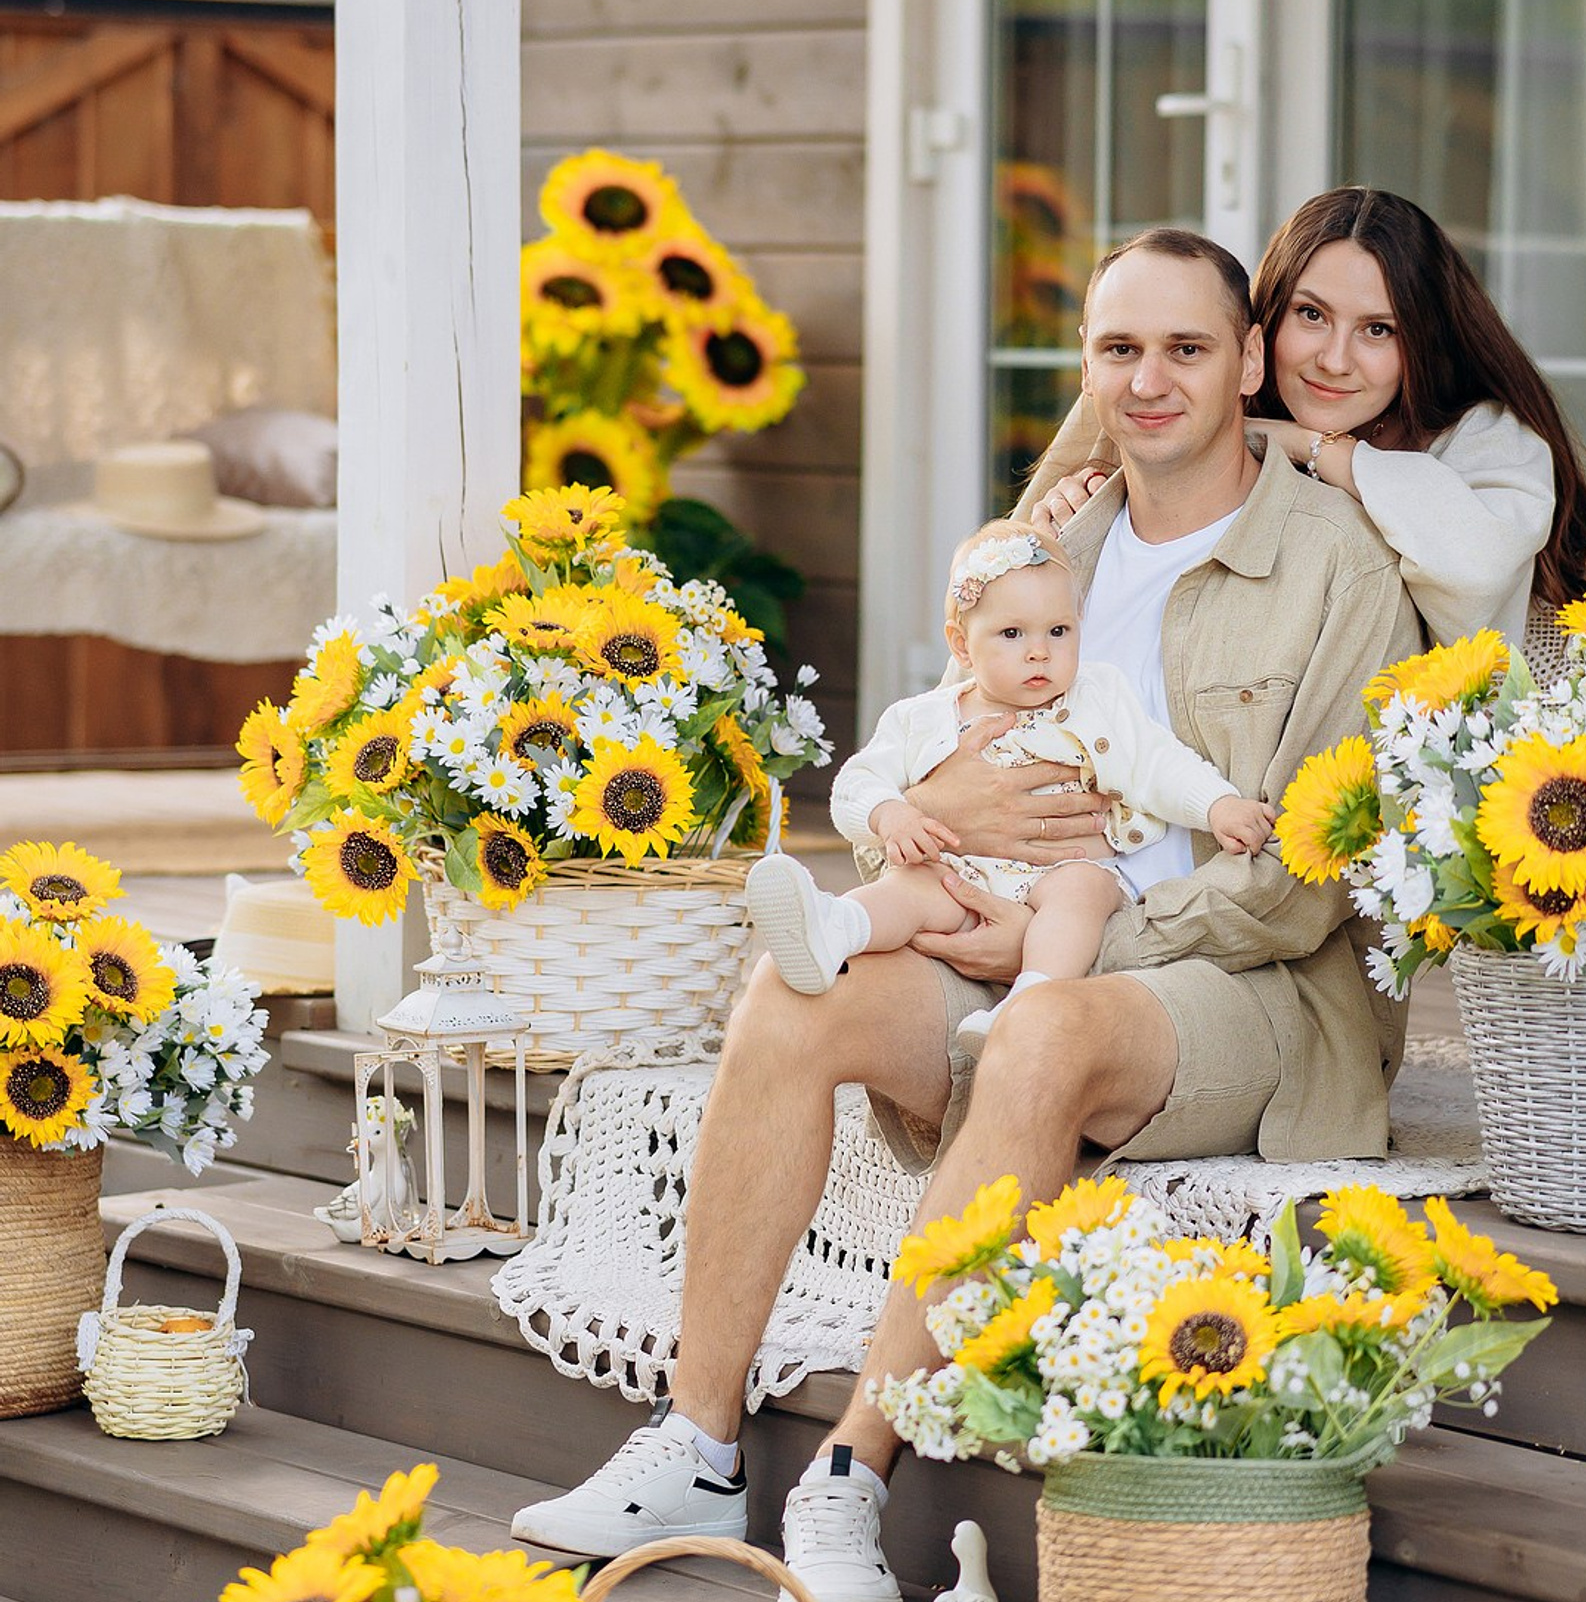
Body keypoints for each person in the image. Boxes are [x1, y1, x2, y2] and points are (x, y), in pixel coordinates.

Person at [511, 226, 1421, 1601]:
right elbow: (927, 750)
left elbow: (1306, 876)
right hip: (1009, 929)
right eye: (1120, 349)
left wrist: (1067, 942)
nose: (1151, 380)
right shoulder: (1053, 540)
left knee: (1038, 1040)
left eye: (1187, 349)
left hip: (1243, 990)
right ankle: (697, 1437)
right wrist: (952, 829)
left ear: (1249, 364)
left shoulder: (1336, 571)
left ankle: (849, 1479)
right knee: (790, 990)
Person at [744, 517, 1275, 1057]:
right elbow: (855, 784)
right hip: (960, 877)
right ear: (962, 646)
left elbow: (1157, 762)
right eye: (1012, 634)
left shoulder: (1098, 696)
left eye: (1058, 632)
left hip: (1062, 867)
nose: (1039, 652)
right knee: (905, 890)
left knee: (1085, 894)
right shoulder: (922, 718)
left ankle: (1026, 1003)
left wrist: (1217, 805)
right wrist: (892, 815)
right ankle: (836, 928)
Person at [1023, 187, 1586, 646]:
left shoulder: (1485, 439)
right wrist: (1082, 505)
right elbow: (1012, 562)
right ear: (1265, 320)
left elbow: (1474, 577)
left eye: (1378, 330)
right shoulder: (1174, 382)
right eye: (1311, 314)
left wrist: (1314, 447)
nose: (1334, 359)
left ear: (1423, 341)